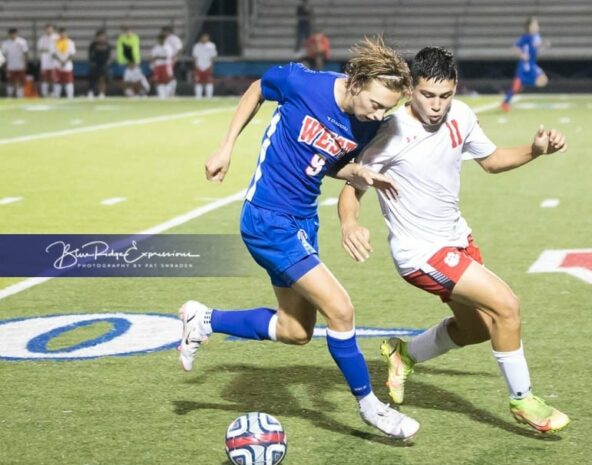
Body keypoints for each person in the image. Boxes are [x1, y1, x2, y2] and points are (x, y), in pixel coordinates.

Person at [178, 37, 420, 440]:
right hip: (267, 219)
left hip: (303, 221)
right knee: (341, 310)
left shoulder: (367, 124)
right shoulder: (302, 83)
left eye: (387, 108)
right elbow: (258, 88)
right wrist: (226, 147)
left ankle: (203, 320)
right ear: (357, 82)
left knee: (295, 330)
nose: (380, 114)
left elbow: (324, 162)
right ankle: (371, 407)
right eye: (377, 103)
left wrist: (356, 173)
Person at [338, 46, 570, 434]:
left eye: (444, 96)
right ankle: (524, 401)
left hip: (457, 239)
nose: (436, 105)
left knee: (478, 329)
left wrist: (535, 150)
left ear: (455, 89)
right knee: (507, 307)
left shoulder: (460, 116)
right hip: (420, 254)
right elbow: (352, 187)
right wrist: (349, 223)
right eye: (427, 95)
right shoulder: (389, 133)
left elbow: (492, 160)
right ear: (411, 88)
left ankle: (403, 354)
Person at [500, 17, 548, 112]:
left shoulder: (536, 36)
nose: (536, 27)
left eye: (537, 25)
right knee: (518, 86)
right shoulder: (525, 37)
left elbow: (537, 48)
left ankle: (522, 84)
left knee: (543, 80)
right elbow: (515, 47)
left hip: (532, 64)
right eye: (534, 25)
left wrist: (544, 45)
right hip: (525, 65)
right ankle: (505, 103)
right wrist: (522, 54)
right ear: (529, 27)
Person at [2, 29, 28, 98]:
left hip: (20, 65)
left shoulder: (22, 42)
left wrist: (25, 63)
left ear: (16, 34)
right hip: (10, 65)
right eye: (11, 34)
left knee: (20, 81)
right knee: (10, 81)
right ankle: (10, 95)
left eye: (14, 33)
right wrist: (5, 64)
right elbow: (4, 55)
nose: (13, 35)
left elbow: (25, 53)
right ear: (9, 34)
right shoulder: (5, 43)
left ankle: (20, 96)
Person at [192, 33, 217, 99]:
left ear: (208, 38)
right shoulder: (197, 46)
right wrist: (195, 66)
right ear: (201, 38)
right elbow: (195, 57)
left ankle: (209, 96)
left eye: (206, 37)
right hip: (199, 66)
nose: (204, 38)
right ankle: (198, 97)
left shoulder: (211, 46)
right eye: (203, 37)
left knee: (209, 82)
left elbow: (213, 57)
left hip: (207, 66)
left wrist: (211, 66)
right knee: (198, 82)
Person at [53, 28, 76, 99]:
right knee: (57, 82)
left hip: (67, 66)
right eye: (60, 33)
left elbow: (72, 54)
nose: (62, 35)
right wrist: (60, 61)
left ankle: (70, 97)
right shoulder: (55, 42)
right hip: (58, 65)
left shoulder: (70, 42)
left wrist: (65, 61)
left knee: (69, 82)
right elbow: (53, 54)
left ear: (66, 34)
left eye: (63, 33)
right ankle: (56, 97)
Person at [87, 29, 111, 99]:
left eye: (102, 36)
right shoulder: (93, 45)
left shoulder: (107, 45)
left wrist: (107, 63)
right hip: (95, 64)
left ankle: (102, 93)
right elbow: (90, 55)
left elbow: (109, 55)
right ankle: (91, 92)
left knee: (102, 79)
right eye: (100, 36)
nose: (101, 38)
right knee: (93, 79)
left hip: (103, 64)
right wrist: (92, 62)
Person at [37, 24, 58, 97]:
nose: (49, 30)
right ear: (45, 30)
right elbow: (40, 49)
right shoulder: (42, 39)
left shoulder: (57, 38)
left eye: (50, 29)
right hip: (45, 62)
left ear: (53, 29)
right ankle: (44, 93)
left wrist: (50, 50)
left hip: (54, 62)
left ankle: (54, 93)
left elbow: (59, 49)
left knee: (54, 79)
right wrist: (50, 50)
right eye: (47, 29)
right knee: (45, 78)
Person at [162, 26, 182, 97]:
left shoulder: (174, 39)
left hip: (173, 60)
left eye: (166, 31)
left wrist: (175, 58)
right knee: (167, 76)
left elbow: (179, 49)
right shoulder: (164, 39)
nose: (165, 33)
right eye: (164, 31)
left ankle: (172, 92)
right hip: (166, 61)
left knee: (172, 76)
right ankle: (167, 92)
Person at [151, 34, 173, 99]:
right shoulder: (155, 48)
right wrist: (158, 57)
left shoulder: (168, 47)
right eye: (160, 39)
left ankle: (167, 94)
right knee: (159, 81)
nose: (161, 41)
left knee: (167, 80)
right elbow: (152, 58)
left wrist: (157, 57)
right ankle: (161, 95)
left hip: (166, 65)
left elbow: (166, 57)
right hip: (158, 66)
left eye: (163, 39)